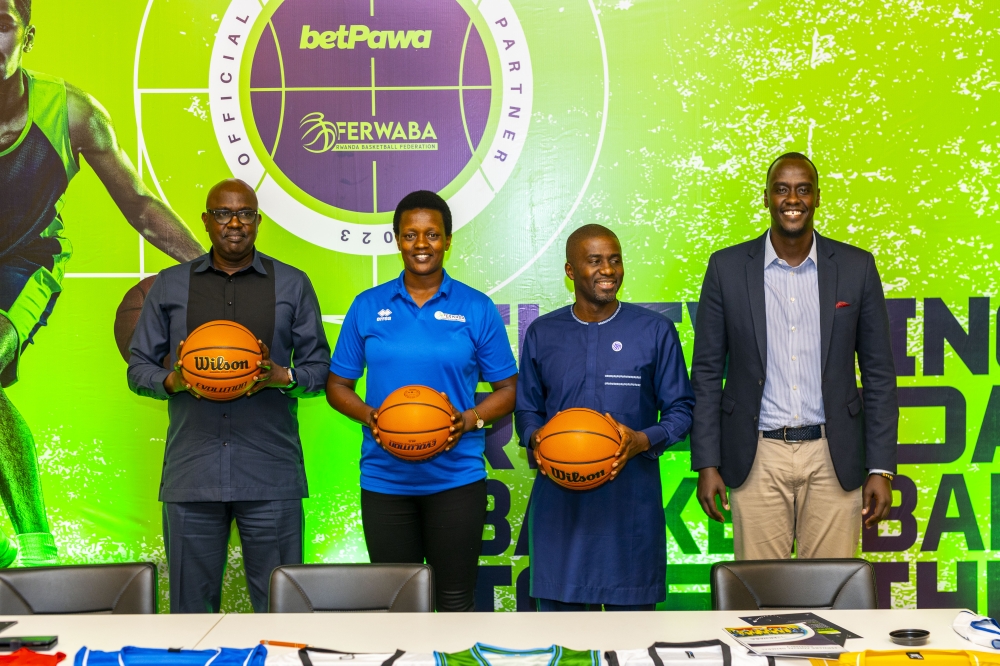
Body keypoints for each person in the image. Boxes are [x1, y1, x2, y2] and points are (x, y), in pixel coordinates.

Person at [0, 0, 204, 566]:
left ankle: (36, 542)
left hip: (25, 261)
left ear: (28, 37)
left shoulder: (69, 113)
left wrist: (212, 267)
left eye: (2, 24)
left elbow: (139, 205)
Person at [127, 179, 330, 613]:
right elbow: (138, 367)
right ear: (205, 221)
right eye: (222, 213)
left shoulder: (292, 284)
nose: (234, 223)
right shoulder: (170, 285)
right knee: (189, 615)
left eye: (245, 214)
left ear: (258, 221)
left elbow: (319, 370)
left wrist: (281, 375)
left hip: (270, 474)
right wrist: (174, 382)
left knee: (283, 614)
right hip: (192, 474)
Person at [690, 152, 898, 559]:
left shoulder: (856, 267)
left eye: (803, 189)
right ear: (765, 198)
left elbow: (878, 376)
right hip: (757, 457)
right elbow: (707, 373)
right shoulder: (726, 268)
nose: (793, 198)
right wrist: (707, 464)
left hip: (832, 455)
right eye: (781, 189)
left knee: (831, 599)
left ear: (817, 197)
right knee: (760, 604)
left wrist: (880, 467)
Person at [327, 190, 517, 612]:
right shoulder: (367, 306)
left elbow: (509, 389)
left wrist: (469, 419)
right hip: (384, 481)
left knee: (454, 602)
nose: (421, 244)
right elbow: (337, 386)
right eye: (411, 234)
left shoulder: (476, 307)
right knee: (397, 608)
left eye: (432, 234)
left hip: (456, 480)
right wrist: (372, 416)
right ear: (397, 239)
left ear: (448, 240)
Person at [515, 224, 694, 611]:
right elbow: (526, 409)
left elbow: (682, 410)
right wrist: (538, 439)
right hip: (559, 512)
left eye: (614, 260)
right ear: (570, 271)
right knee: (564, 648)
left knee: (629, 649)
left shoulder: (655, 331)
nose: (608, 270)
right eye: (594, 261)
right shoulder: (543, 333)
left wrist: (642, 441)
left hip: (629, 511)